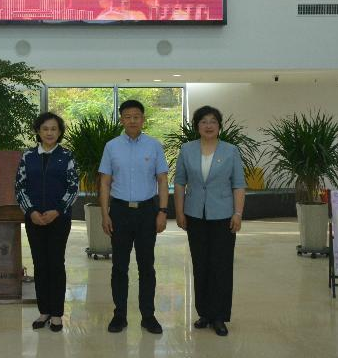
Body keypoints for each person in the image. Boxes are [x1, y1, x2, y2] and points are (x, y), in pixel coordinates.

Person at [174, 105, 246, 337]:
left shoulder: (231, 150)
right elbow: (179, 183)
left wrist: (238, 213)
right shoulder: (186, 149)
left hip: (223, 216)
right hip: (195, 215)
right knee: (200, 264)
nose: (208, 125)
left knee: (221, 265)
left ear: (219, 126)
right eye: (203, 121)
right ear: (197, 126)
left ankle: (219, 316)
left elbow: (238, 184)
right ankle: (204, 313)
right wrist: (179, 212)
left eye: (213, 121)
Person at [99, 99, 169, 335]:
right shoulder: (111, 146)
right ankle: (119, 315)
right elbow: (105, 182)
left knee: (146, 266)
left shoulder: (154, 145)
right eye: (127, 116)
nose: (132, 120)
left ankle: (148, 316)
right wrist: (105, 213)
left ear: (143, 119)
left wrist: (162, 212)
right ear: (121, 119)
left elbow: (162, 180)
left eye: (136, 116)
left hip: (147, 211)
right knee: (119, 266)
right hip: (119, 211)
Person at [14, 112, 78, 332]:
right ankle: (44, 311)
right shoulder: (28, 156)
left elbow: (73, 188)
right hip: (34, 219)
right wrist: (31, 211)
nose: (49, 133)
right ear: (38, 132)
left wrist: (57, 211)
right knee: (40, 264)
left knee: (56, 264)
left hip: (59, 219)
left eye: (53, 129)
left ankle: (57, 313)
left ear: (59, 132)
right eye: (45, 129)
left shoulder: (67, 156)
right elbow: (19, 187)